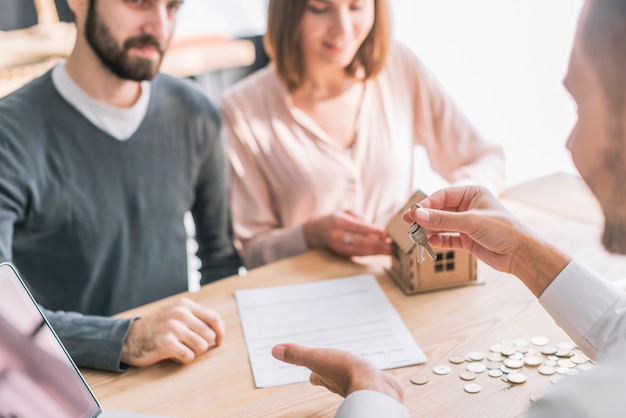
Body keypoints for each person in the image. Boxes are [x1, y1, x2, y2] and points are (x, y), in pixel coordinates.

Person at [270, 0, 626, 416]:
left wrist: (370, 397)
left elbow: (483, 155)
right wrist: (524, 253)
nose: (569, 147)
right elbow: (616, 330)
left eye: (579, 108)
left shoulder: (581, 404)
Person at [0, 0, 241, 372]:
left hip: (180, 370)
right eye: (140, 3)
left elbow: (220, 261)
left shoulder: (195, 112)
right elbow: (3, 311)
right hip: (63, 382)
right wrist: (125, 338)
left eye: (172, 7)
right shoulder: (9, 134)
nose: (160, 27)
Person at [221, 0, 505, 269]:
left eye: (356, 5)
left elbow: (485, 159)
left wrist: (452, 207)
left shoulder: (399, 66)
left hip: (404, 287)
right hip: (310, 300)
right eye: (320, 8)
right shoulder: (241, 110)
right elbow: (252, 251)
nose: (343, 28)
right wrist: (312, 235)